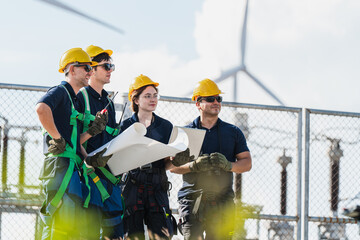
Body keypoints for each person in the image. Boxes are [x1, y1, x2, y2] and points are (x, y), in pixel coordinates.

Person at [36, 48, 107, 239]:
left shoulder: (73, 100)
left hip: (70, 167)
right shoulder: (60, 91)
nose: (90, 73)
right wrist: (56, 137)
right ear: (71, 69)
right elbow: (41, 109)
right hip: (60, 167)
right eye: (86, 68)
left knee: (71, 227)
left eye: (91, 69)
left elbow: (73, 141)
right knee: (60, 224)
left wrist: (91, 136)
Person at [170, 78, 252, 240]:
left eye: (218, 99)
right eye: (210, 99)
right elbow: (172, 166)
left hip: (222, 201)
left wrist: (229, 165)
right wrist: (194, 166)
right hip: (192, 200)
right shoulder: (185, 133)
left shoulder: (233, 132)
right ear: (198, 103)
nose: (216, 102)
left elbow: (247, 163)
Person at [119, 74, 179, 240]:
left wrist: (175, 160)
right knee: (132, 235)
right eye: (147, 96)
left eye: (155, 95)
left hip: (157, 184)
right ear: (136, 100)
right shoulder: (125, 127)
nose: (153, 99)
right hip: (132, 183)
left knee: (161, 236)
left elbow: (167, 163)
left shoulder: (166, 127)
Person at [77, 45, 124, 239]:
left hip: (109, 180)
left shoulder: (109, 102)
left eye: (111, 66)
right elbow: (73, 141)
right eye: (106, 66)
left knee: (115, 234)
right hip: (88, 179)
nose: (110, 70)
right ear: (92, 69)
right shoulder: (81, 98)